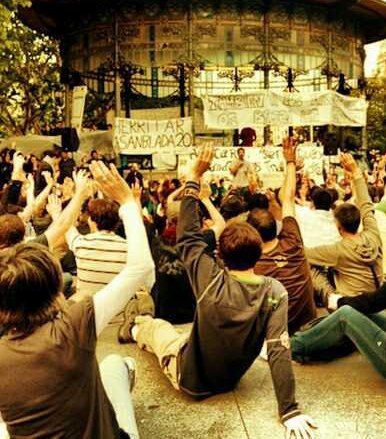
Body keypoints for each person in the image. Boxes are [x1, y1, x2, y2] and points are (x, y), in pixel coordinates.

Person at [118, 143, 317, 438]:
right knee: (178, 336)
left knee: (158, 330)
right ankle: (141, 316)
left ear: (220, 255)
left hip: (189, 379)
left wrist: (193, 178)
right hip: (229, 379)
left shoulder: (210, 280)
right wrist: (289, 410)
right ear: (257, 254)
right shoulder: (274, 291)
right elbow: (278, 348)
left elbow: (188, 238)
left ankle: (135, 324)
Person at [0, 162, 155, 439]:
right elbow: (140, 266)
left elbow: (64, 232)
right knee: (113, 365)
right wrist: (128, 202)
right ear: (55, 284)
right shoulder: (74, 324)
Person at [291, 213, 386, 401]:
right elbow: (369, 305)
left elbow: (368, 303)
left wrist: (338, 300)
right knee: (364, 311)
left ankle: (292, 347)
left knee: (346, 314)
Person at [248, 138, 316, 334]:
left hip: (277, 335)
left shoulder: (252, 266)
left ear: (253, 235)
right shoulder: (293, 241)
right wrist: (290, 162)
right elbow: (287, 198)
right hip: (309, 329)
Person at [305, 153, 383, 305]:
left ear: (338, 226)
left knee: (312, 269)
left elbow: (303, 255)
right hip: (376, 300)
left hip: (350, 304)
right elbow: (366, 205)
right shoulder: (373, 234)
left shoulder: (337, 250)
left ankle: (331, 299)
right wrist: (356, 172)